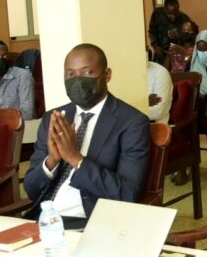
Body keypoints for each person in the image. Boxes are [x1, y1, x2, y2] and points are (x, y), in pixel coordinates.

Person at [24, 44, 150, 227]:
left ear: (107, 75)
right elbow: (31, 189)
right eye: (70, 75)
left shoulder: (132, 122)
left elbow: (127, 194)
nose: (78, 81)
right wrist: (52, 160)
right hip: (42, 221)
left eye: (87, 73)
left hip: (87, 223)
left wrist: (76, 159)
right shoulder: (55, 118)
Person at [148, 0, 191, 64]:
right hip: (160, 53)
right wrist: (156, 46)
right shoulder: (157, 14)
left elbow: (190, 41)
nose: (173, 16)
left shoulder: (185, 19)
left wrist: (179, 36)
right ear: (164, 9)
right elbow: (152, 32)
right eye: (170, 14)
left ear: (178, 7)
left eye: (176, 13)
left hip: (178, 57)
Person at [147, 56, 173, 124]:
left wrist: (129, 107)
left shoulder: (160, 72)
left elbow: (158, 112)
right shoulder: (120, 72)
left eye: (146, 48)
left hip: (154, 128)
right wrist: (143, 102)